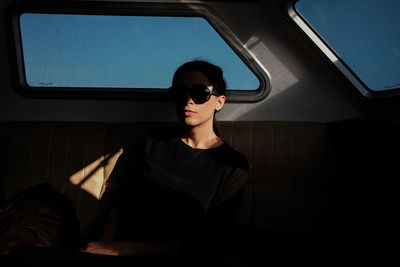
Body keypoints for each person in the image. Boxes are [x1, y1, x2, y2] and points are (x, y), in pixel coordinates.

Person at [80, 60, 249, 265]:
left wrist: (121, 249)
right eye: (179, 93)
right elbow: (120, 206)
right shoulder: (153, 145)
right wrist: (99, 250)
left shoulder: (232, 165)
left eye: (200, 92)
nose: (188, 100)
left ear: (219, 101)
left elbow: (211, 240)